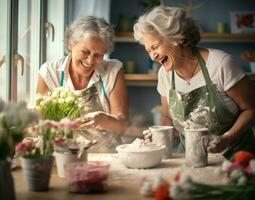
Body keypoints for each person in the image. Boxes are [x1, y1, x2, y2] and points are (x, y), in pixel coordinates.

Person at [133, 6, 255, 160]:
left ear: (178, 38)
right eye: (148, 50)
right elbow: (168, 117)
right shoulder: (164, 74)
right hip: (191, 158)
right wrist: (159, 133)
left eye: (155, 47)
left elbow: (250, 109)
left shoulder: (220, 64)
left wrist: (226, 139)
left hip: (237, 159)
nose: (152, 56)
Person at [37, 16, 128, 152]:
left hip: (105, 154)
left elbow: (123, 125)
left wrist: (102, 120)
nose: (90, 60)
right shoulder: (50, 72)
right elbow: (40, 122)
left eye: (98, 55)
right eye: (85, 52)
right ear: (70, 45)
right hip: (64, 154)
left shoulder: (113, 70)